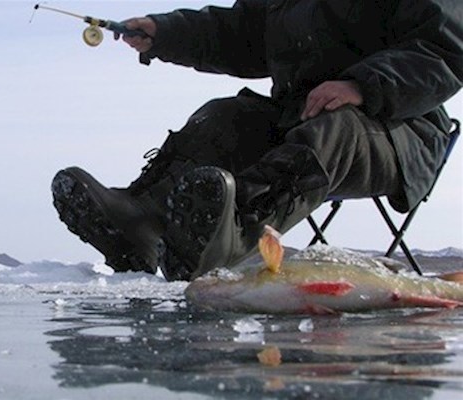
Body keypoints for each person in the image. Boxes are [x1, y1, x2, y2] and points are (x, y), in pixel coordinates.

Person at [51, 0, 463, 281]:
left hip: (398, 126)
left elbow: (446, 47)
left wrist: (362, 85)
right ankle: (141, 221)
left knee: (334, 126)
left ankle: (232, 231)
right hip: (297, 116)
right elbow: (240, 34)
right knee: (226, 116)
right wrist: (167, 33)